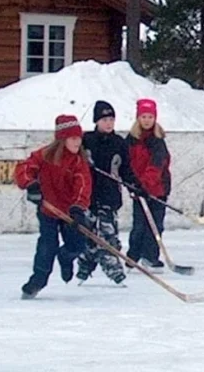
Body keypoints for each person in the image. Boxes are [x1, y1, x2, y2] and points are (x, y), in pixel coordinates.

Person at [14, 114, 93, 299]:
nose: (77, 142)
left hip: (69, 212)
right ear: (62, 139)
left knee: (78, 245)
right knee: (47, 246)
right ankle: (37, 281)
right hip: (48, 210)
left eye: (79, 138)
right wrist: (31, 185)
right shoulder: (44, 156)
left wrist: (78, 208)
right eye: (73, 138)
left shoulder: (79, 162)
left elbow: (83, 186)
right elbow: (24, 169)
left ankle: (65, 257)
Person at [77, 100, 136, 284]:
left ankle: (114, 270)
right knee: (89, 234)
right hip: (88, 195)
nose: (108, 123)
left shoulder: (119, 142)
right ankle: (85, 265)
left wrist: (134, 185)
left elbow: (126, 169)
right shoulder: (86, 140)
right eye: (104, 119)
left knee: (108, 233)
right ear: (96, 121)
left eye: (111, 119)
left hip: (110, 196)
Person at [125, 98, 171, 270]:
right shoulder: (130, 140)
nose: (147, 120)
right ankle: (133, 256)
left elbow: (157, 166)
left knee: (156, 225)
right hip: (139, 191)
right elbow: (126, 164)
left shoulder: (158, 141)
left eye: (150, 117)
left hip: (158, 190)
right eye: (143, 116)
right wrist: (133, 184)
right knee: (139, 225)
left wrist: (145, 184)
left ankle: (151, 256)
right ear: (138, 118)